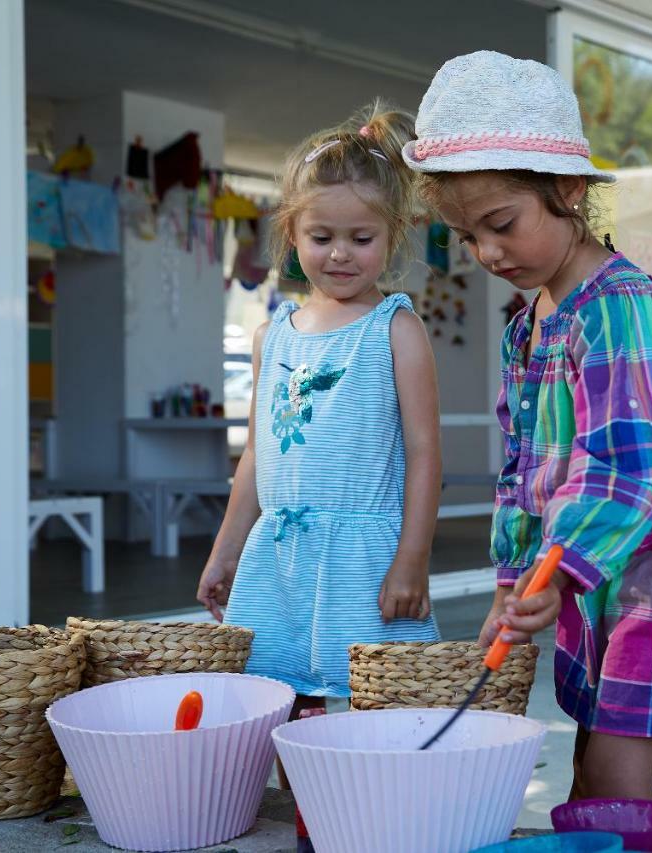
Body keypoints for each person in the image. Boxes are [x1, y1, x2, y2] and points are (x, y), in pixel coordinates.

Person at [404, 52, 652, 801]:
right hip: (597, 565)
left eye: (501, 224)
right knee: (588, 772)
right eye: (466, 235)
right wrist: (512, 581)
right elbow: (527, 469)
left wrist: (564, 567)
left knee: (613, 776)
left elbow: (625, 465)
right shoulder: (530, 321)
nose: (486, 252)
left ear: (570, 190)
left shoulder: (613, 305)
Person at [197, 100, 442, 713]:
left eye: (361, 239)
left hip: (364, 555)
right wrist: (226, 550)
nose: (340, 254)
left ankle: (359, 809)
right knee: (281, 694)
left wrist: (412, 558)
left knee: (376, 694)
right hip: (279, 553)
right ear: (291, 234)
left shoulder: (395, 329)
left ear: (393, 237)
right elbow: (257, 453)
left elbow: (424, 454)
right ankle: (303, 807)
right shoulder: (272, 334)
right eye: (321, 237)